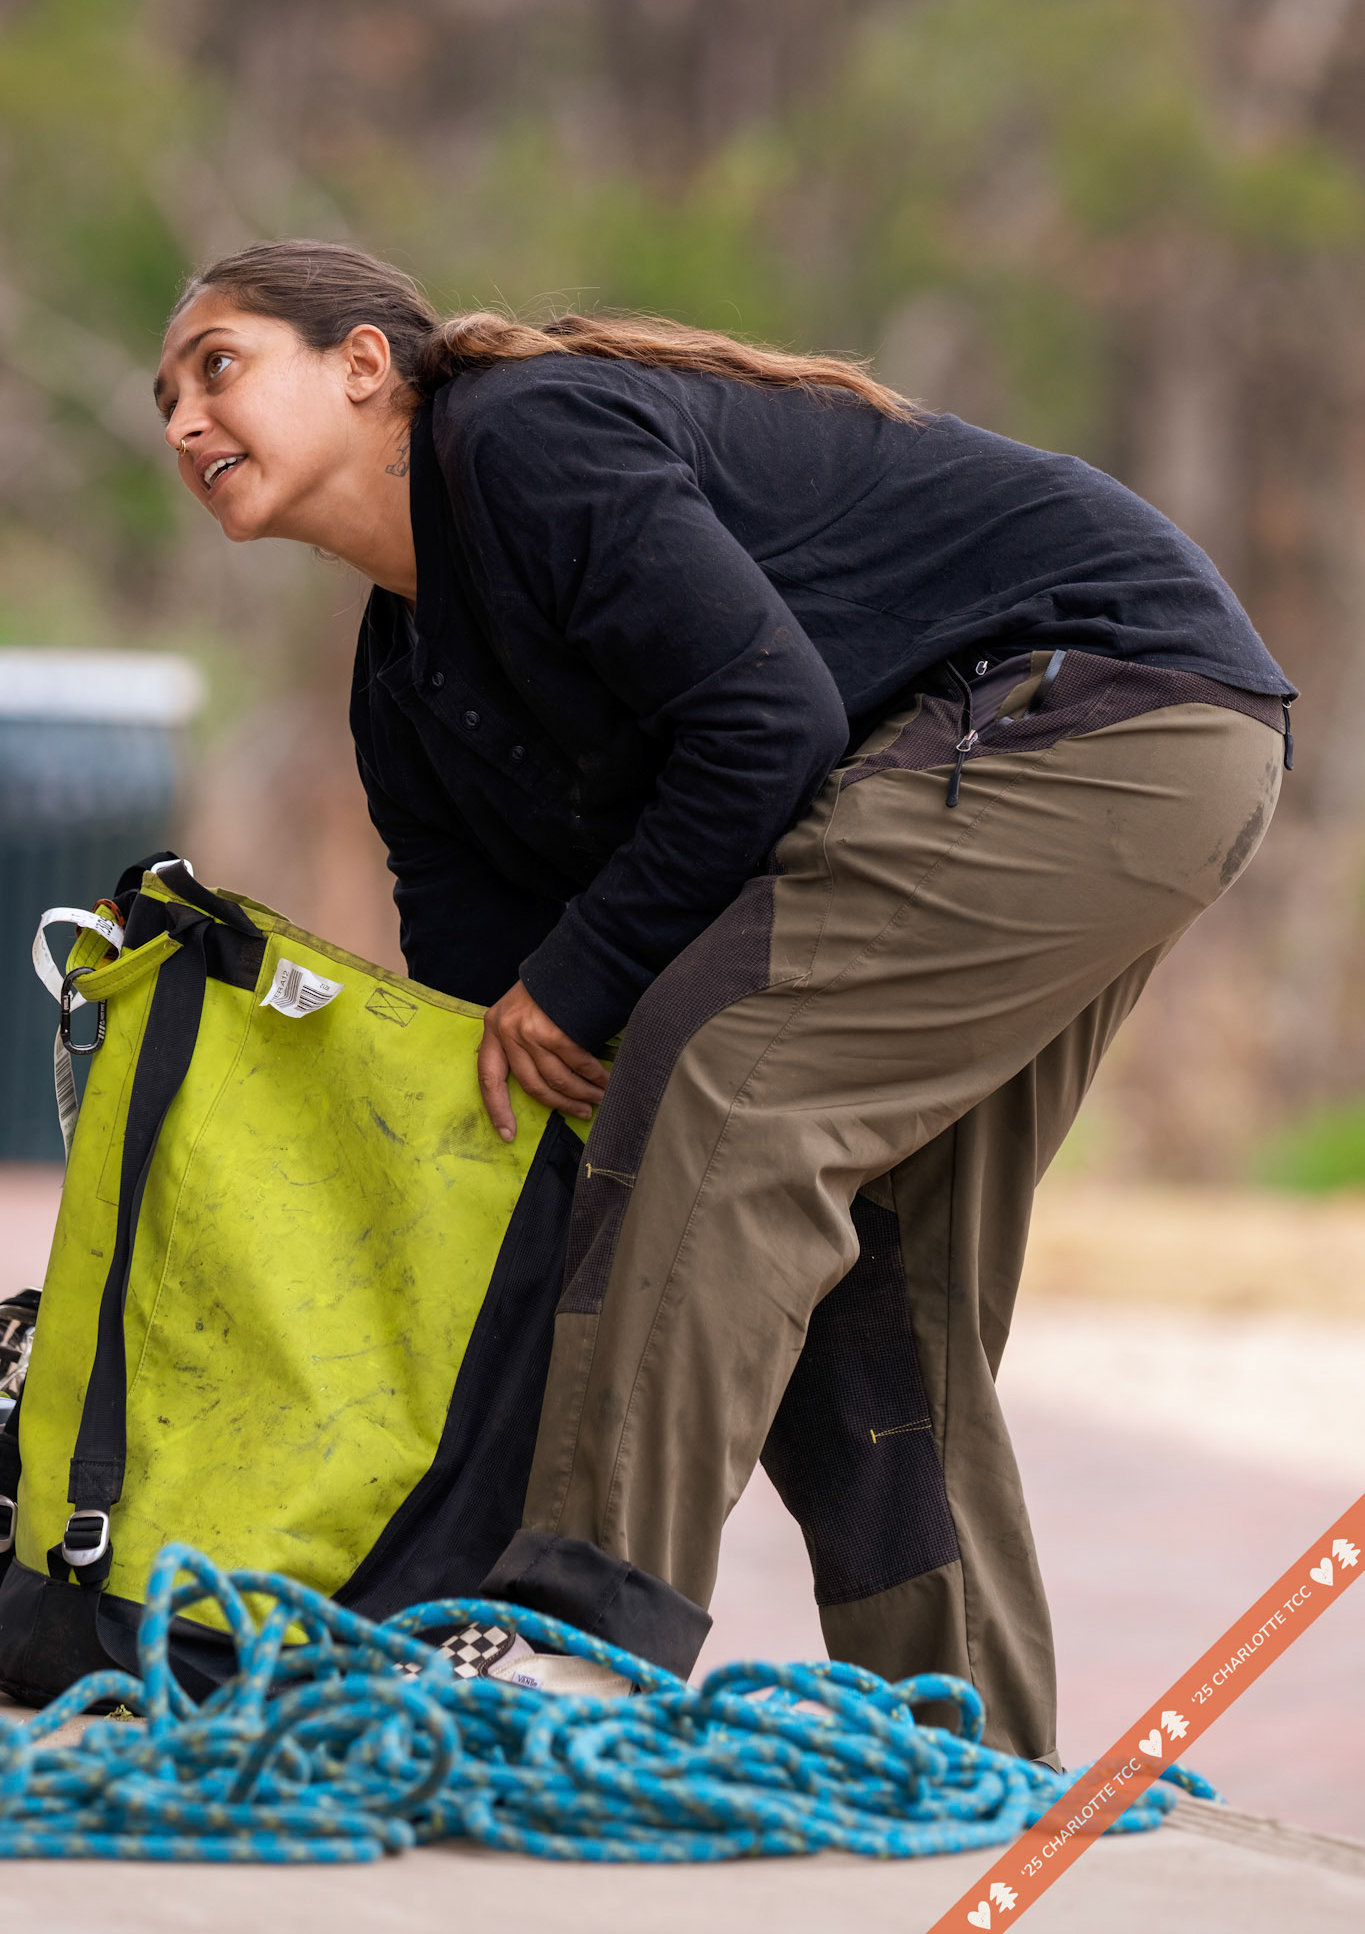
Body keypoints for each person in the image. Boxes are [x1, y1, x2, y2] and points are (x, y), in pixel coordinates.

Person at [155, 239, 1292, 1761]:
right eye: (164, 398)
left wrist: (573, 990)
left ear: (365, 364)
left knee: (721, 1077)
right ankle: (956, 1754)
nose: (181, 421)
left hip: (1091, 709)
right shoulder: (403, 690)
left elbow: (765, 724)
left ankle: (577, 1640)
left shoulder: (519, 438)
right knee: (856, 1286)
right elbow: (490, 1055)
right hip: (1118, 761)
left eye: (216, 365)